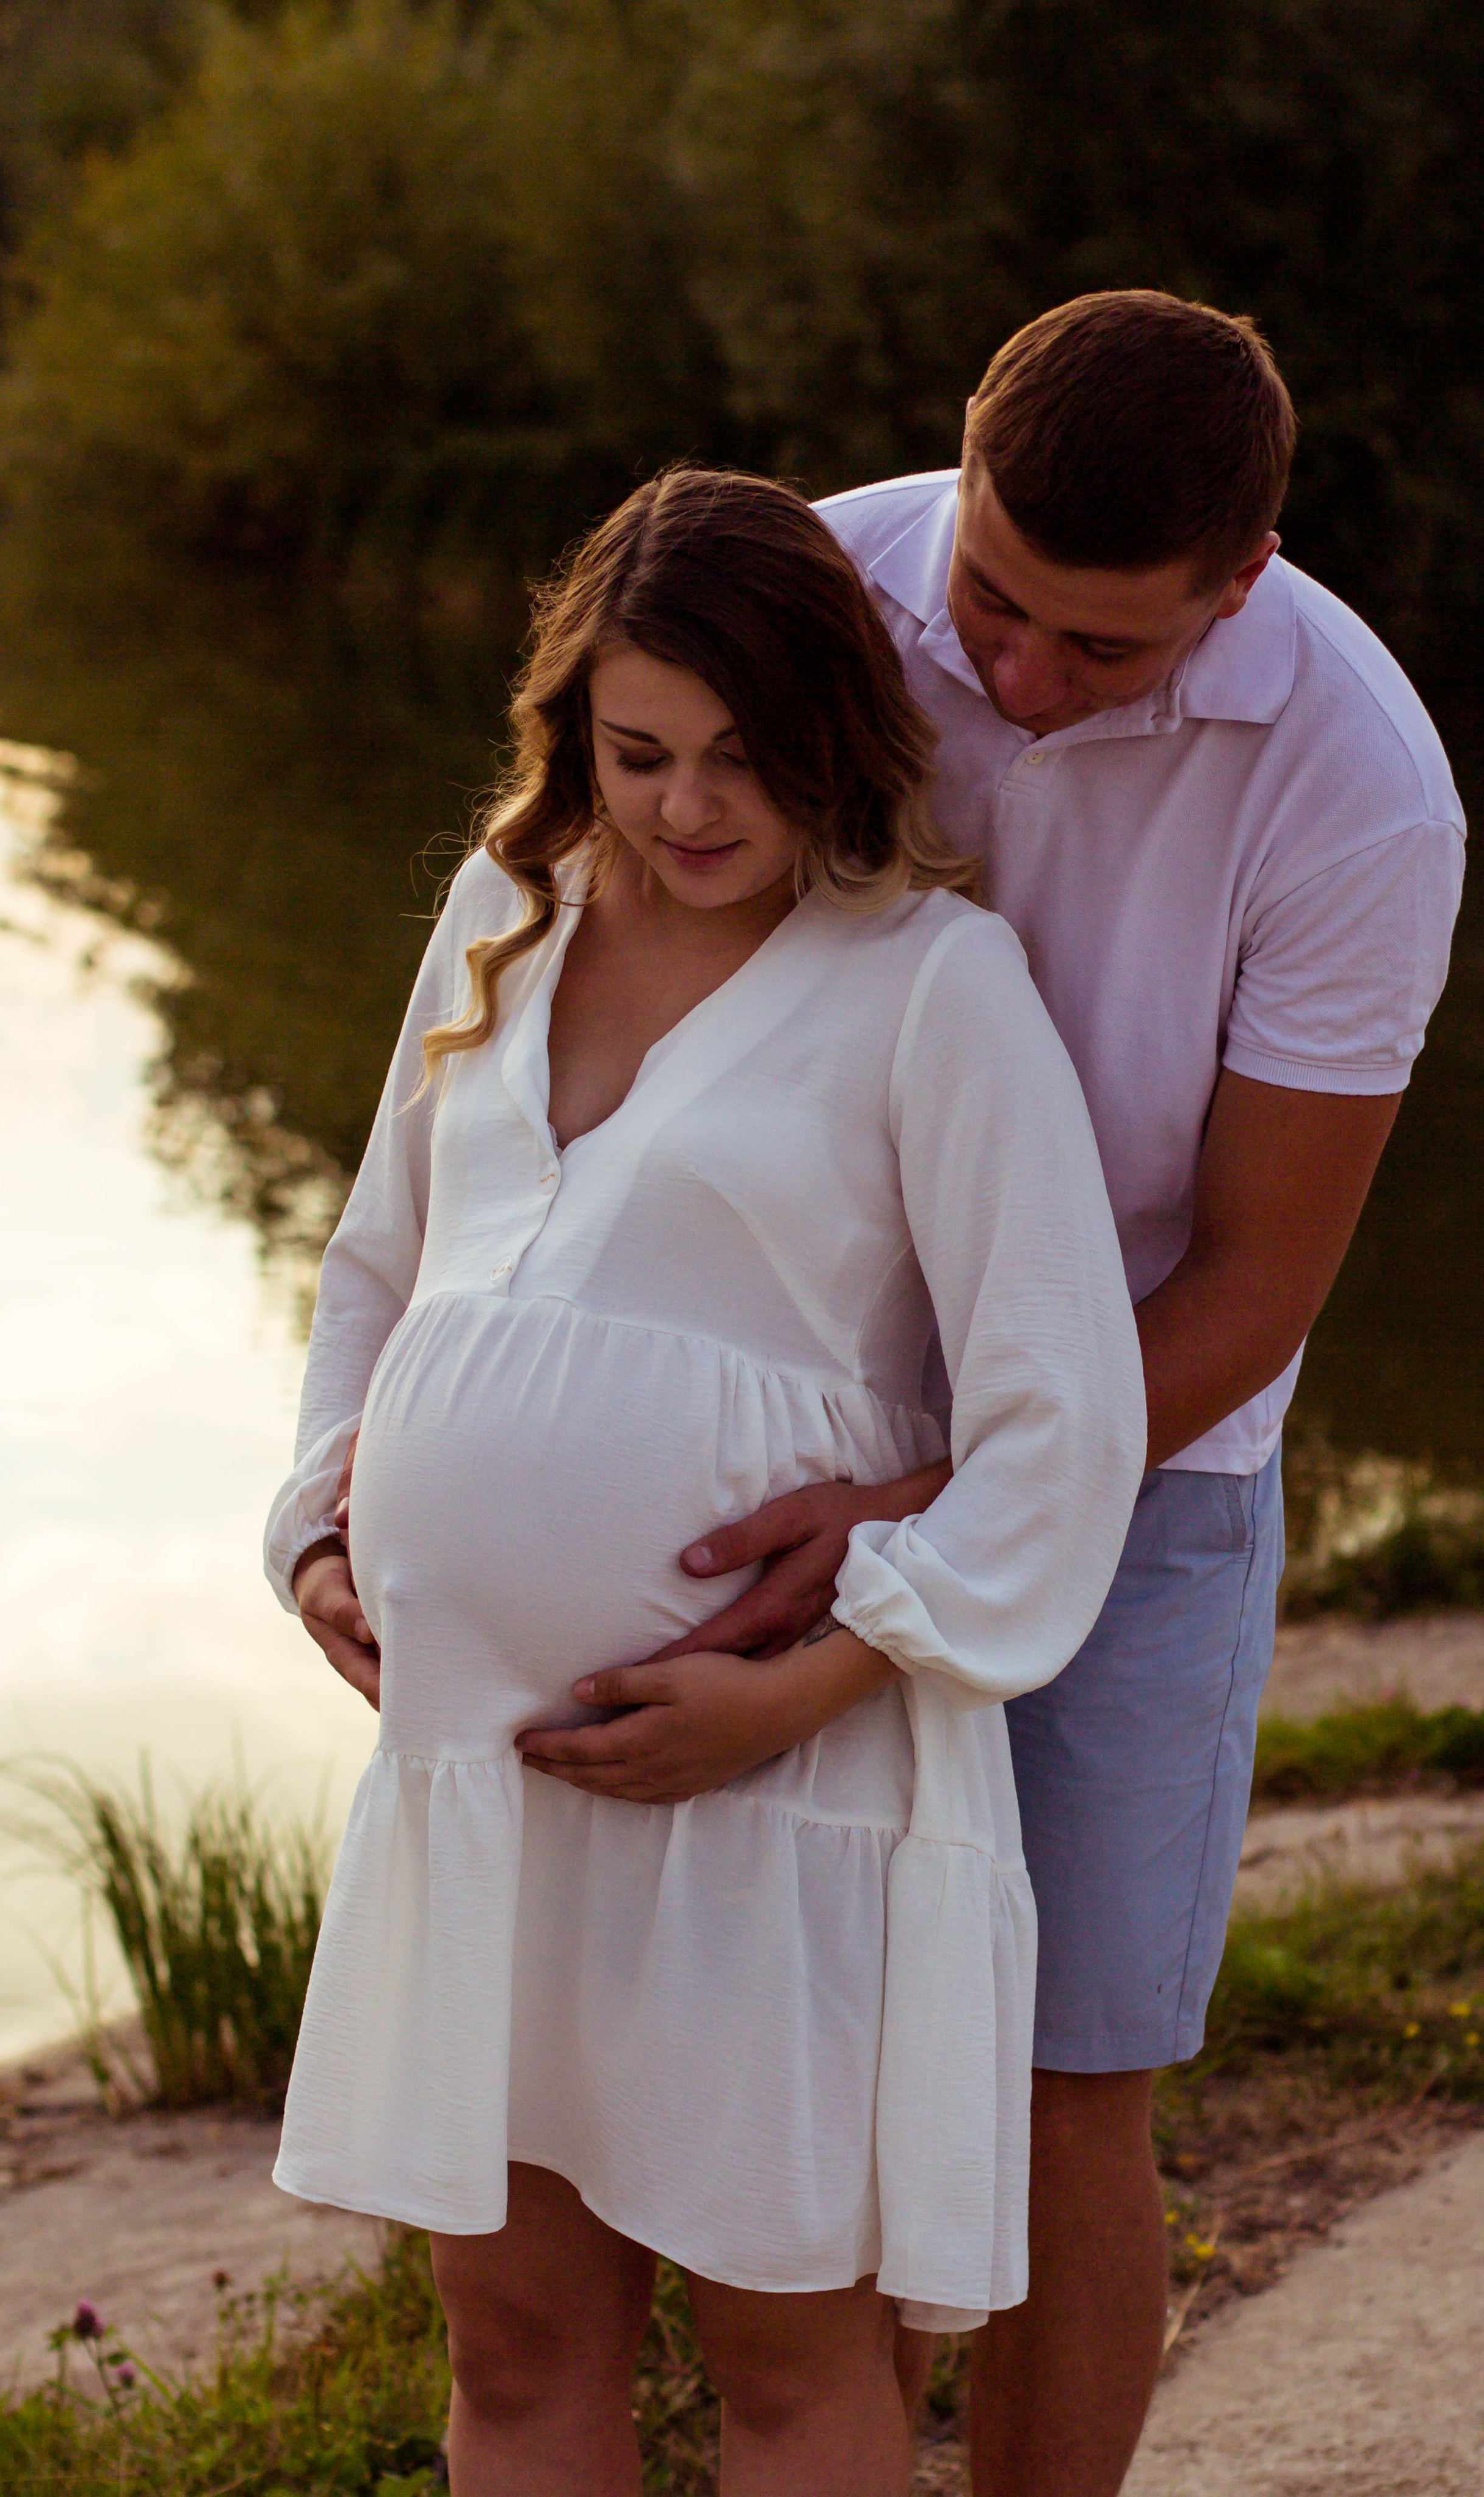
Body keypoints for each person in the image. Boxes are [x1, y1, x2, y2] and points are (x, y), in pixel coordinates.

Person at [505, 295, 1464, 2495]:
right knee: (804, 2064)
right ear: (959, 461)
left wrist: (940, 1508)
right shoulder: (810, 590)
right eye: (997, 607)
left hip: (1138, 1477)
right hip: (756, 1443)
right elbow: (563, 982)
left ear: (1242, 580)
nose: (1018, 685)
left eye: (1099, 654)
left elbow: (1257, 1276)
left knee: (1055, 2091)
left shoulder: (1359, 785)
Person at [269, 466, 1147, 2496]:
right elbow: (379, 1265)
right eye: (637, 749)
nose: (684, 806)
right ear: (573, 726)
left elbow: (1064, 1413)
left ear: (837, 731)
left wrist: (818, 1677)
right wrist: (317, 1527)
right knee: (509, 2334)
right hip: (483, 1772)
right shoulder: (506, 910)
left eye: (744, 757)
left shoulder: (931, 980)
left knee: (781, 2345)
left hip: (780, 1783)